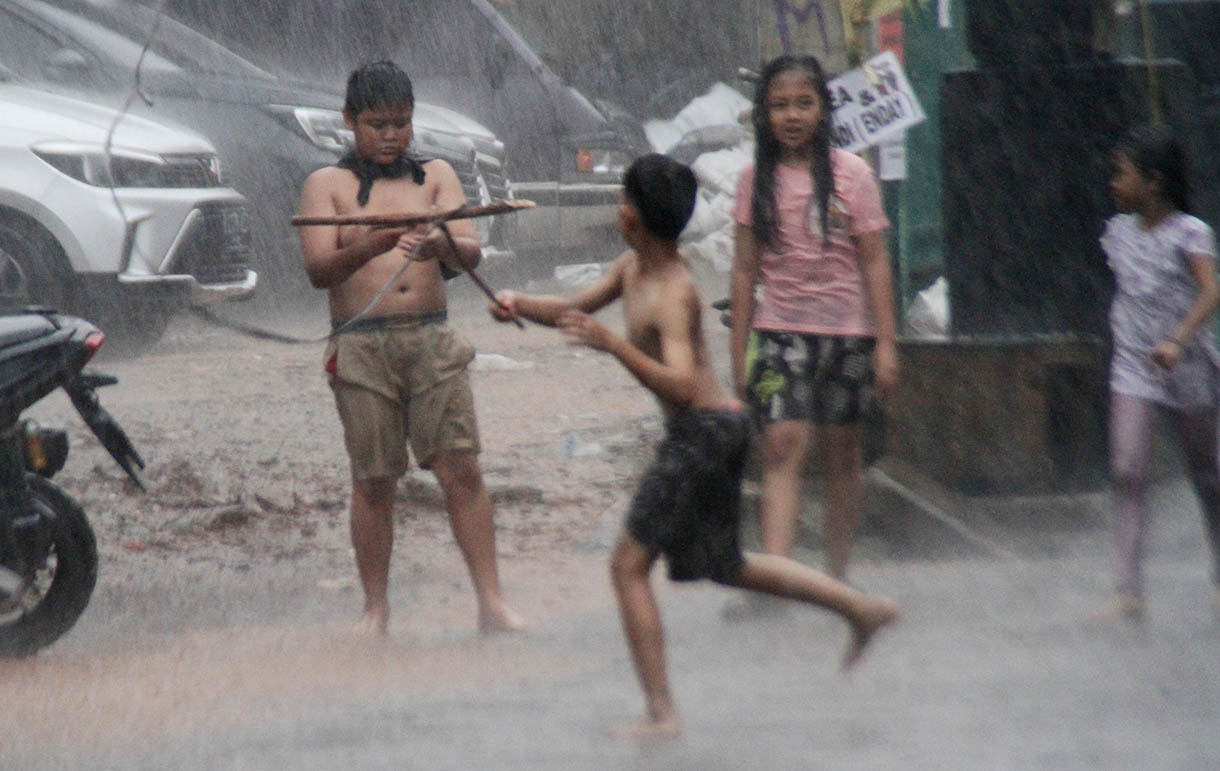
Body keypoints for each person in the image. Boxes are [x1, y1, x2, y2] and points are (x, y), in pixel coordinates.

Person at [488, 153, 899, 739]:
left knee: (628, 566)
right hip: (713, 429)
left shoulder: (674, 291)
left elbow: (681, 384)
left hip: (702, 433)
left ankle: (662, 714)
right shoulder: (633, 267)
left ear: (628, 215)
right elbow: (575, 308)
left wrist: (613, 346)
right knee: (726, 566)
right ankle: (859, 609)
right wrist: (519, 303)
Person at [296, 60, 523, 637]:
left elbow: (470, 252)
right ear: (349, 121)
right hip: (362, 346)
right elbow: (319, 271)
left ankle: (491, 604)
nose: (391, 135)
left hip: (431, 337)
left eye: (401, 122)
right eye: (377, 124)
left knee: (461, 469)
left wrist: (439, 244)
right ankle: (375, 610)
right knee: (374, 481)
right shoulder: (327, 185)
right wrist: (369, 246)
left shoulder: (438, 176)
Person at [728, 54, 899, 588]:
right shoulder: (754, 180)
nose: (792, 115)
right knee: (781, 446)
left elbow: (874, 259)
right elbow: (742, 270)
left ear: (825, 109)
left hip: (848, 335)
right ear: (764, 115)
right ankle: (778, 581)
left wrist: (886, 344)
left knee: (842, 454)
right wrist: (738, 353)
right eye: (779, 105)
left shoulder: (854, 175)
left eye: (804, 102)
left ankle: (835, 578)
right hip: (779, 331)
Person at [1092, 123, 1220, 621]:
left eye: (1122, 174)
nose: (1113, 183)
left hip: (1186, 365)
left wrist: (1178, 338)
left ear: (1156, 181)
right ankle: (1128, 591)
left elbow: (1211, 291)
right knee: (1127, 471)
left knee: (1207, 473)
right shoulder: (1117, 233)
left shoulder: (1190, 233)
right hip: (1133, 364)